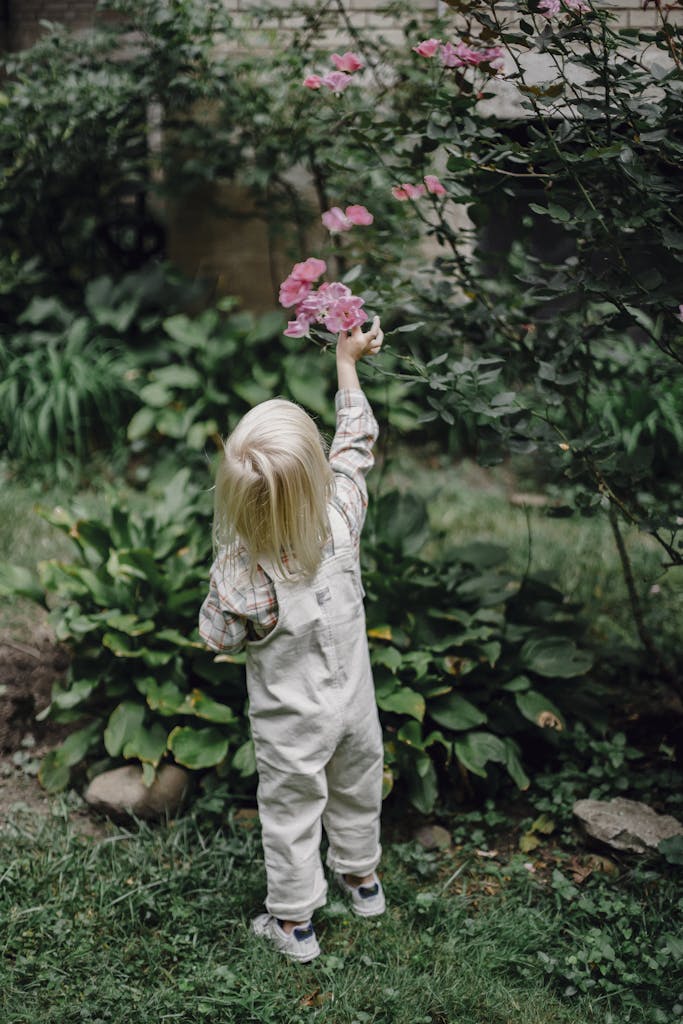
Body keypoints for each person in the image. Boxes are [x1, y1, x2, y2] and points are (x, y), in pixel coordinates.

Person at [199, 316, 386, 963]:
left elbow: (215, 637)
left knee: (291, 813)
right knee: (358, 786)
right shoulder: (341, 515)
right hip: (355, 710)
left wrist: (229, 555)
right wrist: (346, 363)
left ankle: (294, 924)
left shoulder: (242, 574)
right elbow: (355, 444)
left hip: (292, 726)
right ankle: (362, 880)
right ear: (314, 478)